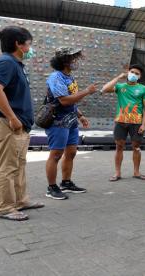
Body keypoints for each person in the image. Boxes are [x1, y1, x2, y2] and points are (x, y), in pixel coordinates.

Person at [0, 26, 44, 221]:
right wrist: (12, 117)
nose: (30, 48)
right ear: (18, 44)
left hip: (18, 125)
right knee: (7, 167)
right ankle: (5, 208)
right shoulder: (6, 62)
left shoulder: (16, 64)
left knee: (18, 165)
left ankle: (21, 201)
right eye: (28, 44)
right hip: (7, 124)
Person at [44, 47, 97, 200]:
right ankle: (51, 187)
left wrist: (80, 115)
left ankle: (66, 183)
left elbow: (72, 101)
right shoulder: (56, 77)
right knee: (56, 155)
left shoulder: (70, 78)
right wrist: (87, 91)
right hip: (58, 122)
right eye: (73, 58)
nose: (76, 61)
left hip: (71, 121)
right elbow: (64, 100)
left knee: (71, 153)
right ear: (64, 60)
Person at [102, 64, 145, 181]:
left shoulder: (144, 89)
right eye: (132, 72)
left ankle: (136, 172)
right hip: (121, 122)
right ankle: (117, 173)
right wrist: (118, 77)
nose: (134, 75)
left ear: (140, 77)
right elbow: (104, 89)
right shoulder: (120, 86)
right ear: (128, 73)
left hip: (136, 123)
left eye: (137, 74)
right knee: (119, 146)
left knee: (136, 147)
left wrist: (144, 124)